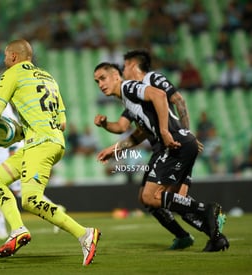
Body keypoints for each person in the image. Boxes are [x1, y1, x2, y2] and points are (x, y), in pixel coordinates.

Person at [0, 40, 100, 266]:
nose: (4, 60)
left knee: (31, 200)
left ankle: (84, 233)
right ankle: (17, 230)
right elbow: (62, 123)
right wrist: (19, 134)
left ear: (14, 57)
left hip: (40, 144)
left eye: (5, 55)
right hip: (51, 141)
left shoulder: (11, 73)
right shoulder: (48, 77)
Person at [93, 62, 229, 252]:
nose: (100, 84)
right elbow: (134, 132)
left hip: (173, 145)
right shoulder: (128, 101)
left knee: (152, 197)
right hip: (173, 146)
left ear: (117, 75)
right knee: (168, 200)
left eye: (102, 78)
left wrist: (166, 132)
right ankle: (215, 237)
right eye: (96, 81)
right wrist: (112, 143)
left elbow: (160, 95)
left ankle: (205, 211)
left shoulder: (128, 87)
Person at [0, 65, 61, 240]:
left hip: (8, 148)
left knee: (20, 192)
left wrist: (12, 149)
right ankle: (0, 229)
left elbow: (10, 120)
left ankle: (55, 212)